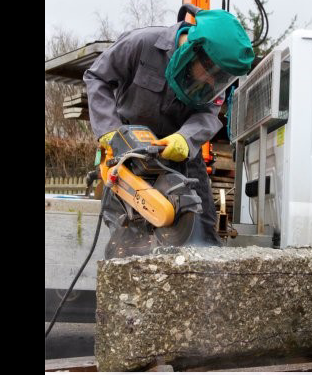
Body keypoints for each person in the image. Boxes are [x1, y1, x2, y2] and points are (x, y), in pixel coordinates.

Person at [84, 8, 254, 245]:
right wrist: (109, 129)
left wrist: (185, 138)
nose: (213, 82)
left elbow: (207, 112)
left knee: (202, 230)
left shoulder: (215, 77)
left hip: (178, 150)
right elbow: (97, 77)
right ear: (195, 51)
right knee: (130, 236)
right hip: (128, 149)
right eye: (211, 73)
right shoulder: (142, 43)